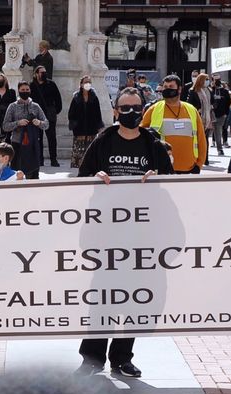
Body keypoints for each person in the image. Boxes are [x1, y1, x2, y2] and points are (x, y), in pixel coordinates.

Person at [74, 87, 174, 378]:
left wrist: (159, 178)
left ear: (143, 110)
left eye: (136, 107)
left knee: (133, 298)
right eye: (125, 108)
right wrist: (96, 177)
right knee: (102, 297)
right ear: (116, 111)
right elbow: (81, 179)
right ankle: (92, 359)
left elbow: (171, 186)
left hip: (141, 237)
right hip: (106, 236)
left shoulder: (153, 145)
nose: (131, 113)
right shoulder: (103, 141)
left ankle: (122, 357)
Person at [142, 74, 207, 174]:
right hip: (162, 168)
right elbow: (141, 134)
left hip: (189, 169)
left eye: (171, 87)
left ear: (179, 89)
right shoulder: (154, 109)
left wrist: (199, 165)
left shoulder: (191, 110)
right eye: (165, 87)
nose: (167, 89)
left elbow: (201, 139)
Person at [1, 82, 48, 179]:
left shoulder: (36, 106)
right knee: (16, 175)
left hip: (33, 144)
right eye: (23, 90)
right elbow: (5, 126)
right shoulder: (12, 106)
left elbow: (46, 124)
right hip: (17, 144)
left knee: (34, 175)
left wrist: (39, 122)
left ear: (30, 91)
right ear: (19, 91)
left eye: (27, 90)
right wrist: (18, 123)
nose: (25, 92)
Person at [67, 76, 104, 169]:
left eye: (89, 82)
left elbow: (98, 113)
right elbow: (71, 113)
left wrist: (99, 127)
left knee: (91, 151)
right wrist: (74, 125)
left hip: (92, 129)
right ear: (81, 84)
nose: (87, 84)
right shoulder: (76, 97)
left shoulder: (94, 97)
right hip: (79, 130)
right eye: (85, 82)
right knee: (79, 154)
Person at [30, 66, 62, 167]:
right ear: (36, 74)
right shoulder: (32, 85)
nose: (43, 74)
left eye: (45, 72)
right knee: (38, 137)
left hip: (49, 115)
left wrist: (55, 111)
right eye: (41, 72)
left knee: (51, 137)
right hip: (36, 115)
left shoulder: (51, 84)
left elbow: (58, 99)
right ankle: (40, 159)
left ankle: (53, 159)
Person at [185, 73, 215, 162]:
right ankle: (196, 157)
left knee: (206, 139)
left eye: (208, 79)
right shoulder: (193, 90)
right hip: (198, 117)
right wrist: (197, 109)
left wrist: (212, 106)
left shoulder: (209, 90)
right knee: (197, 139)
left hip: (208, 118)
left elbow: (213, 101)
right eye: (206, 79)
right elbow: (189, 103)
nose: (207, 81)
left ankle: (206, 158)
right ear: (201, 80)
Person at [210, 75, 231, 156]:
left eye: (217, 80)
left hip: (221, 115)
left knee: (218, 131)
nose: (216, 81)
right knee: (211, 132)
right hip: (211, 114)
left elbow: (228, 103)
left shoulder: (225, 92)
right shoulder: (210, 90)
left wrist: (226, 114)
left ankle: (220, 149)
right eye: (214, 80)